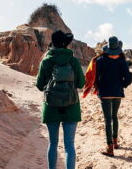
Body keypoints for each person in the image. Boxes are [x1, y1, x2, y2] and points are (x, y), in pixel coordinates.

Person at [36, 30, 85, 169]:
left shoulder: (46, 61)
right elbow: (81, 84)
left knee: (52, 144)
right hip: (72, 106)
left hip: (51, 107)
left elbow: (39, 86)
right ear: (66, 45)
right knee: (69, 145)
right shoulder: (73, 61)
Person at [95, 36, 132, 157]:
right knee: (114, 117)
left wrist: (98, 86)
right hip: (117, 93)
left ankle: (110, 148)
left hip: (105, 93)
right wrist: (121, 85)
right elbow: (128, 78)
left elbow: (96, 77)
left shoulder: (100, 60)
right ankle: (115, 143)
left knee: (107, 120)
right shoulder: (122, 60)